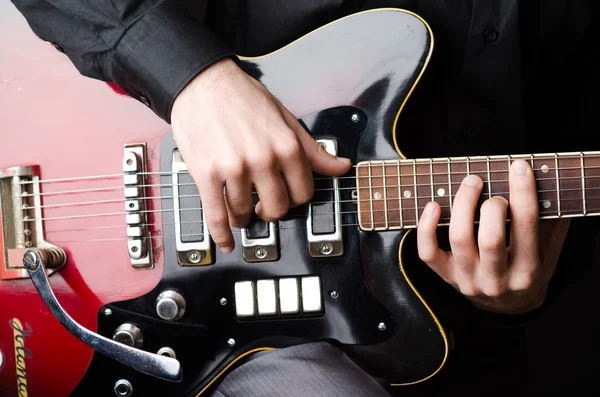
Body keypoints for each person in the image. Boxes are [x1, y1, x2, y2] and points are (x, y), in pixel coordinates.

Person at [9, 1, 599, 396]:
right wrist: (193, 79)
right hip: (248, 339)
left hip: (413, 331)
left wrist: (521, 291)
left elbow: (564, 181)